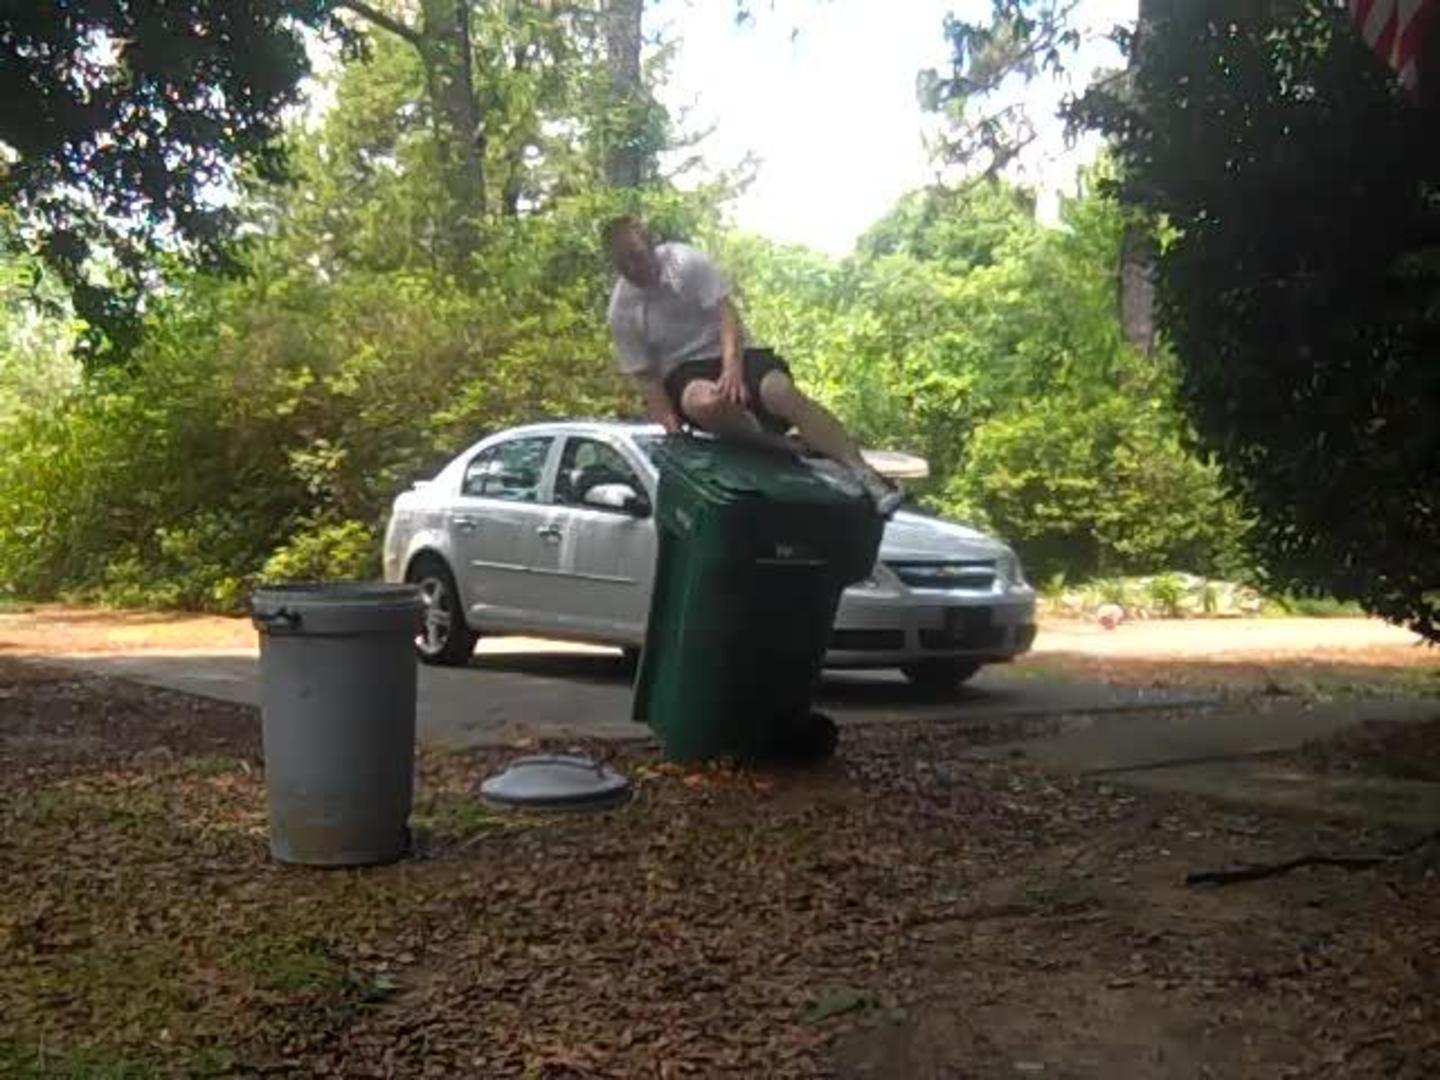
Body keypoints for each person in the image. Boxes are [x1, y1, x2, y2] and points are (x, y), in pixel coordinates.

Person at [603, 216, 902, 515]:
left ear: (651, 244)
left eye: (637, 256)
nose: (633, 269)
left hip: (732, 351)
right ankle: (776, 446)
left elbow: (726, 314)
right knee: (706, 402)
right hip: (684, 371)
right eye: (622, 264)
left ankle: (866, 475)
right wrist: (672, 428)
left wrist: (732, 368)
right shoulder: (622, 311)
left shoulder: (686, 262)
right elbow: (646, 379)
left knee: (780, 391)